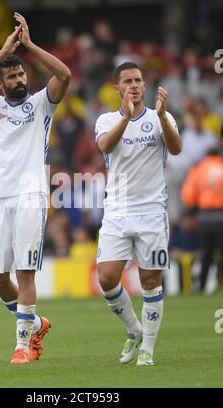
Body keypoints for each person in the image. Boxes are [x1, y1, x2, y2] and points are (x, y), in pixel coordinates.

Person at [0, 12, 71, 364]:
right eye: (11, 76)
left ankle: (22, 346)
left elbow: (64, 74)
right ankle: (36, 324)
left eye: (21, 72)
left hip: (30, 195)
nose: (19, 78)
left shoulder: (42, 104)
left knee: (24, 272)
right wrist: (3, 52)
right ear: (1, 84)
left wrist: (28, 46)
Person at [95, 62, 181, 366]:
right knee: (106, 278)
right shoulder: (106, 120)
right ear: (116, 88)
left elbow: (177, 148)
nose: (134, 85)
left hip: (151, 211)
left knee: (150, 278)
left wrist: (161, 118)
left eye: (139, 81)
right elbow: (106, 145)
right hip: (117, 211)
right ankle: (134, 330)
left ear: (144, 86)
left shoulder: (163, 117)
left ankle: (149, 348)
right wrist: (127, 118)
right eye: (128, 81)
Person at [181, 147, 223, 292]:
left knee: (207, 254)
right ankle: (220, 284)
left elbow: (188, 196)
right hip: (221, 216)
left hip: (204, 218)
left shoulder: (198, 169)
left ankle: (202, 286)